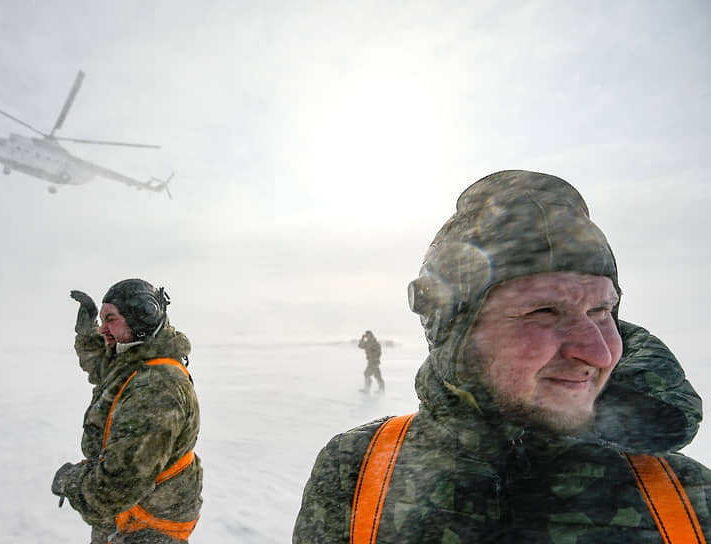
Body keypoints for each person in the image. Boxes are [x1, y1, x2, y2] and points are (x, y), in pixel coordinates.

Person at [293, 170, 711, 543]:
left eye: (601, 311)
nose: (598, 351)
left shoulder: (689, 500)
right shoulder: (359, 471)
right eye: (544, 311)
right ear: (454, 330)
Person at [53, 279, 202, 544]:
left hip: (146, 531)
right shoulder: (135, 362)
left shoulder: (156, 387)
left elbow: (116, 488)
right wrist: (86, 333)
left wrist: (70, 482)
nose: (102, 329)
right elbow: (102, 366)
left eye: (110, 319)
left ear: (142, 317)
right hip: (128, 519)